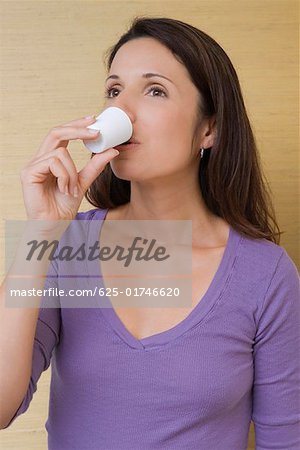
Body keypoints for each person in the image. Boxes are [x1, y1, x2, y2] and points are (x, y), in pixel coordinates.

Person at [0, 16, 299, 450]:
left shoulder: (264, 274)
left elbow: (284, 441)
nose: (121, 110)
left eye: (155, 90)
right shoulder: (68, 247)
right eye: (114, 91)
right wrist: (38, 236)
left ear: (209, 128)